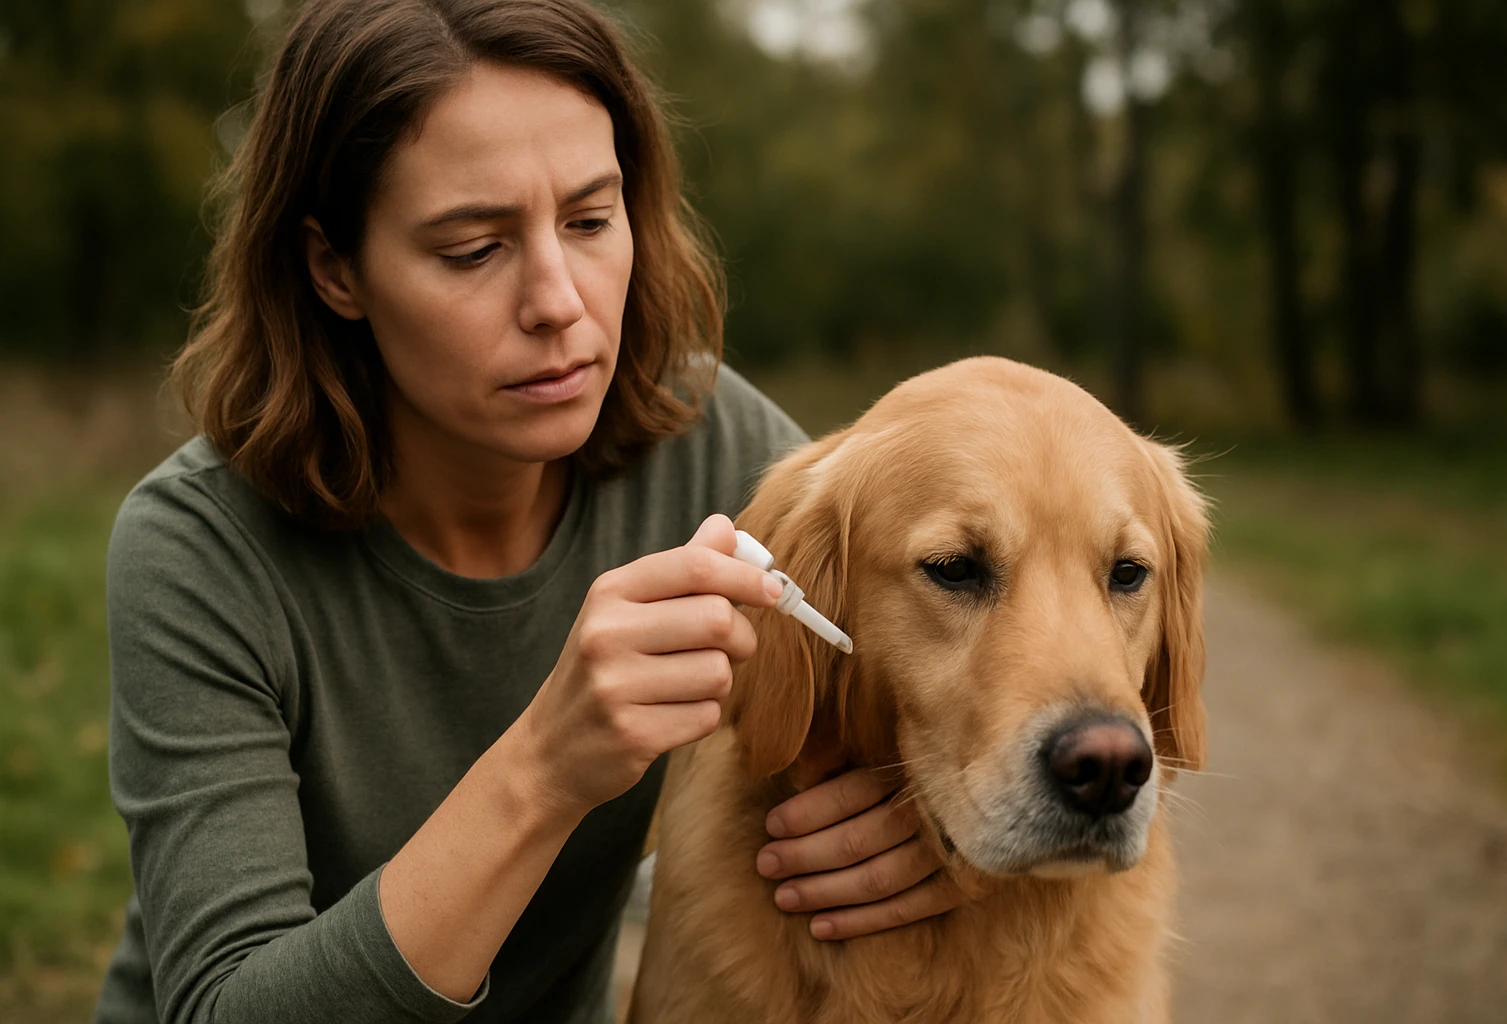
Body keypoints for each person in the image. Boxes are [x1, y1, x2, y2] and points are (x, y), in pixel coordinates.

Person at [91, 1, 962, 1022]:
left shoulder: (715, 448)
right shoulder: (198, 554)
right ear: (334, 269)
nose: (561, 300)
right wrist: (547, 767)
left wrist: (947, 839)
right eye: (473, 249)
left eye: (591, 220)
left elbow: (973, 701)